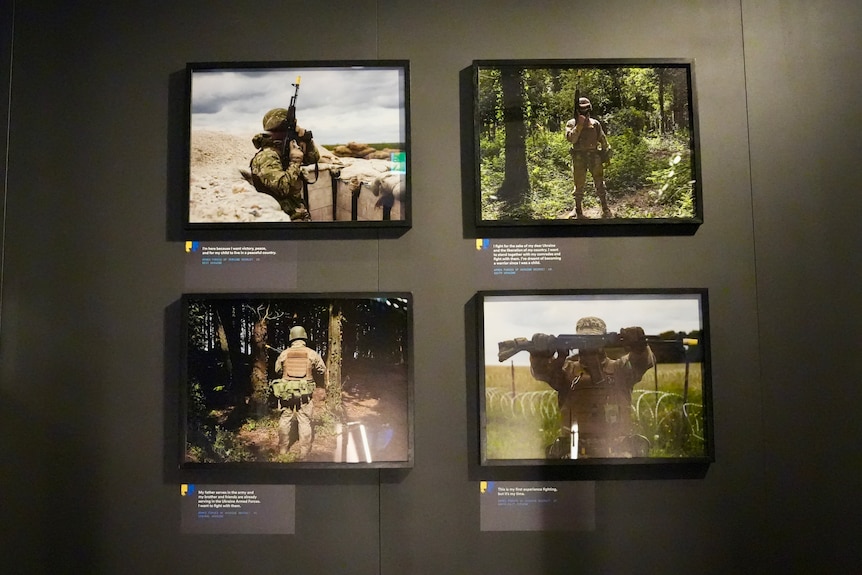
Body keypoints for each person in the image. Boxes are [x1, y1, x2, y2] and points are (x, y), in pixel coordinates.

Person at [528, 316, 655, 458]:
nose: (588, 345)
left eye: (593, 339)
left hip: (617, 453)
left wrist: (640, 348)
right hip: (574, 452)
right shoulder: (566, 370)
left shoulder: (620, 369)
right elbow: (541, 372)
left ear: (604, 340)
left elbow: (643, 362)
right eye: (583, 339)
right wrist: (539, 354)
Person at [246, 108, 320, 221]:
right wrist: (295, 161)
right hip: (282, 218)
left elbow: (313, 158)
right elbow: (282, 187)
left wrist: (307, 140)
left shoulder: (282, 151)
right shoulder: (267, 156)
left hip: (295, 212)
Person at [271, 325, 327, 458]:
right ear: (304, 337)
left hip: (287, 392)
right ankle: (304, 451)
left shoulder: (284, 353)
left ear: (291, 338)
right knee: (304, 420)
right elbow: (322, 369)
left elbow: (277, 370)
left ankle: (283, 449)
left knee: (285, 419)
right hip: (304, 393)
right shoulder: (312, 353)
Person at [564, 97, 612, 219]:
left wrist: (607, 153)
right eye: (582, 109)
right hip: (579, 157)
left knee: (600, 183)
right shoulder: (571, 124)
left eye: (586, 109)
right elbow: (571, 139)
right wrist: (579, 125)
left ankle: (605, 208)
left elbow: (602, 139)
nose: (584, 111)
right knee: (578, 185)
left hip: (594, 156)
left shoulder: (595, 123)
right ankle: (578, 209)